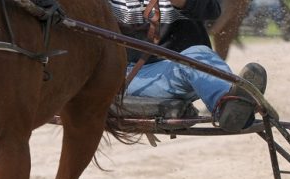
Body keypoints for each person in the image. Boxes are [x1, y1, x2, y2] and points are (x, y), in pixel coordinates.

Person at [110, 0, 267, 131]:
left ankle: (230, 106)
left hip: (179, 70)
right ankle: (232, 101)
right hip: (122, 79)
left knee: (197, 56)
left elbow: (211, 10)